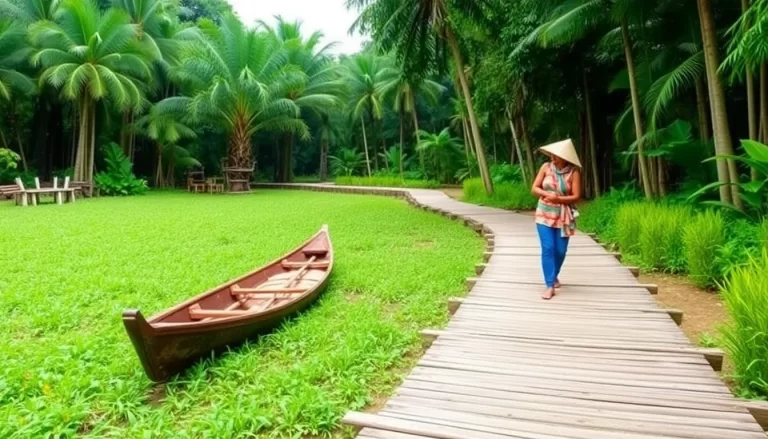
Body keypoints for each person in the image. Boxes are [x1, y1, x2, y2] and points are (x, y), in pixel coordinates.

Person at [530, 139, 583, 300]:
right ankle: (549, 285)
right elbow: (535, 188)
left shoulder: (573, 172)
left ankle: (553, 276)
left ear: (565, 157)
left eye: (556, 155)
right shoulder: (546, 167)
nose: (553, 158)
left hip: (563, 215)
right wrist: (547, 194)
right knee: (548, 248)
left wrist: (558, 199)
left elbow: (576, 196)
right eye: (552, 155)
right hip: (544, 214)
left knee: (560, 250)